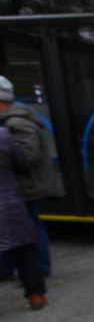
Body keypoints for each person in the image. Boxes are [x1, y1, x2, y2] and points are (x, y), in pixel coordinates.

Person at [0, 75, 55, 277]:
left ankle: (40, 268)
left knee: (29, 227)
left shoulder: (16, 122)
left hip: (27, 185)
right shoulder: (12, 119)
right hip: (21, 185)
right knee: (18, 229)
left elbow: (28, 157)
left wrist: (5, 153)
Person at [0, 125, 46, 310]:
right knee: (23, 250)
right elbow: (22, 161)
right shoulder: (3, 135)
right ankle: (35, 295)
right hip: (8, 202)